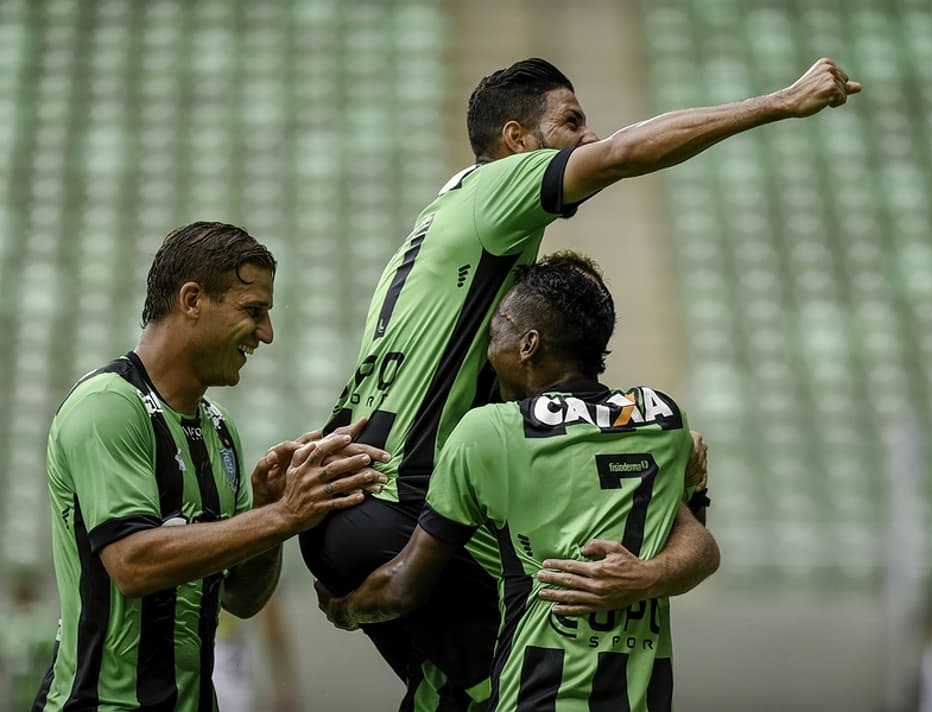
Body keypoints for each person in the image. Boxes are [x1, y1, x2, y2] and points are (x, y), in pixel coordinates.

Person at [299, 56, 861, 709]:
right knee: (537, 653)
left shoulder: (436, 233)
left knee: (454, 689)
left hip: (345, 504)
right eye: (571, 121)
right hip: (402, 502)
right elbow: (623, 154)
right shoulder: (497, 193)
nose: (588, 137)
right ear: (516, 140)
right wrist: (781, 102)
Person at [31, 221, 388, 712]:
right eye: (253, 311)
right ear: (193, 300)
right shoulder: (108, 406)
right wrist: (284, 515)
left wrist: (268, 509)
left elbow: (242, 599)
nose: (267, 333)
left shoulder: (219, 428)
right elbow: (132, 564)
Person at [320, 252, 701, 710]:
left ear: (528, 345)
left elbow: (404, 587)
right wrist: (649, 576)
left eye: (496, 330)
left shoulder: (492, 432)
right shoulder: (660, 421)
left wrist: (344, 610)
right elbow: (698, 541)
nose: (488, 347)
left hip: (538, 696)